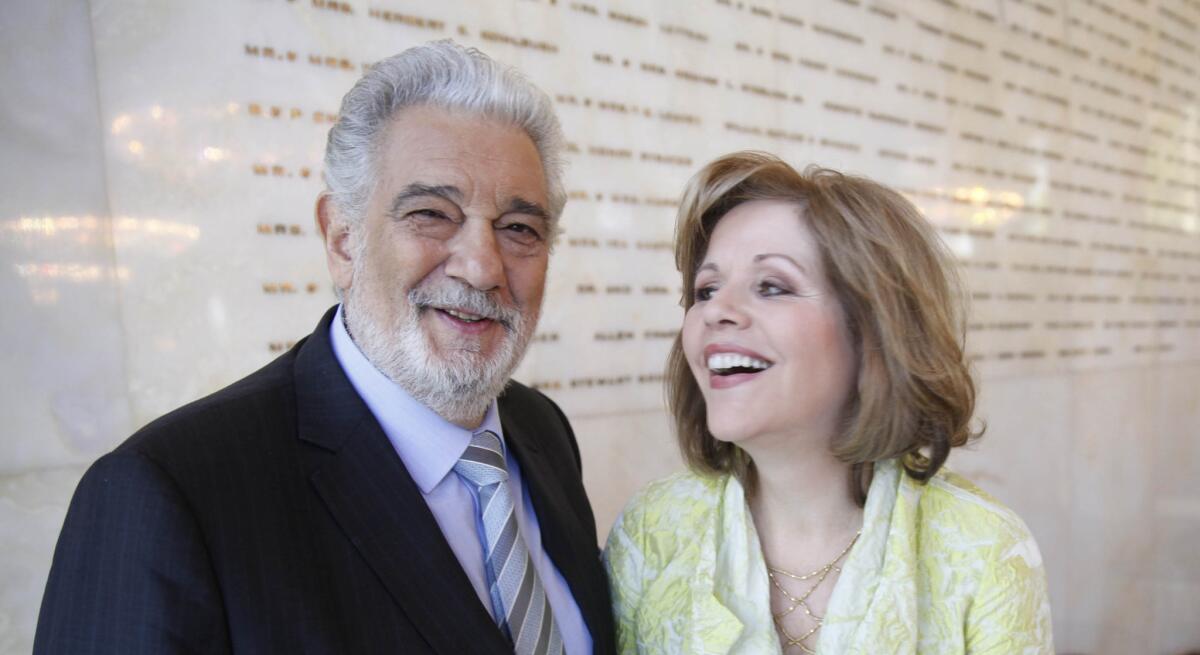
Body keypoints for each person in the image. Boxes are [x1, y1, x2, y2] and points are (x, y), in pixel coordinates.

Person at [36, 40, 614, 655]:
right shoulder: (167, 496)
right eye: (431, 213)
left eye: (519, 228)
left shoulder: (542, 430)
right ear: (341, 239)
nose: (480, 267)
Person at [604, 152, 1053, 654]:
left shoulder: (985, 549)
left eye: (772, 286)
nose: (716, 312)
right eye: (705, 290)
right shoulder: (652, 529)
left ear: (873, 332)